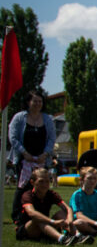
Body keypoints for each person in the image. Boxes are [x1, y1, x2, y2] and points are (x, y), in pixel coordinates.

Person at [8, 90, 56, 221]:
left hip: (41, 159)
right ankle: (18, 215)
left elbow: (52, 138)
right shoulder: (19, 118)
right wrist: (24, 153)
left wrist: (45, 153)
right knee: (23, 186)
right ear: (28, 102)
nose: (37, 104)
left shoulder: (47, 119)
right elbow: (12, 137)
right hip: (24, 159)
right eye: (35, 101)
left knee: (42, 186)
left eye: (40, 101)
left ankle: (40, 213)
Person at [16, 167, 84, 245]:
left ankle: (77, 235)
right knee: (38, 218)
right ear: (32, 182)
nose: (45, 185)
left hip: (45, 226)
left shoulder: (51, 194)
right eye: (41, 181)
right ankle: (62, 239)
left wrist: (69, 220)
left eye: (47, 181)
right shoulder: (28, 195)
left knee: (61, 213)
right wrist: (53, 222)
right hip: (28, 229)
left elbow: (68, 208)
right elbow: (32, 213)